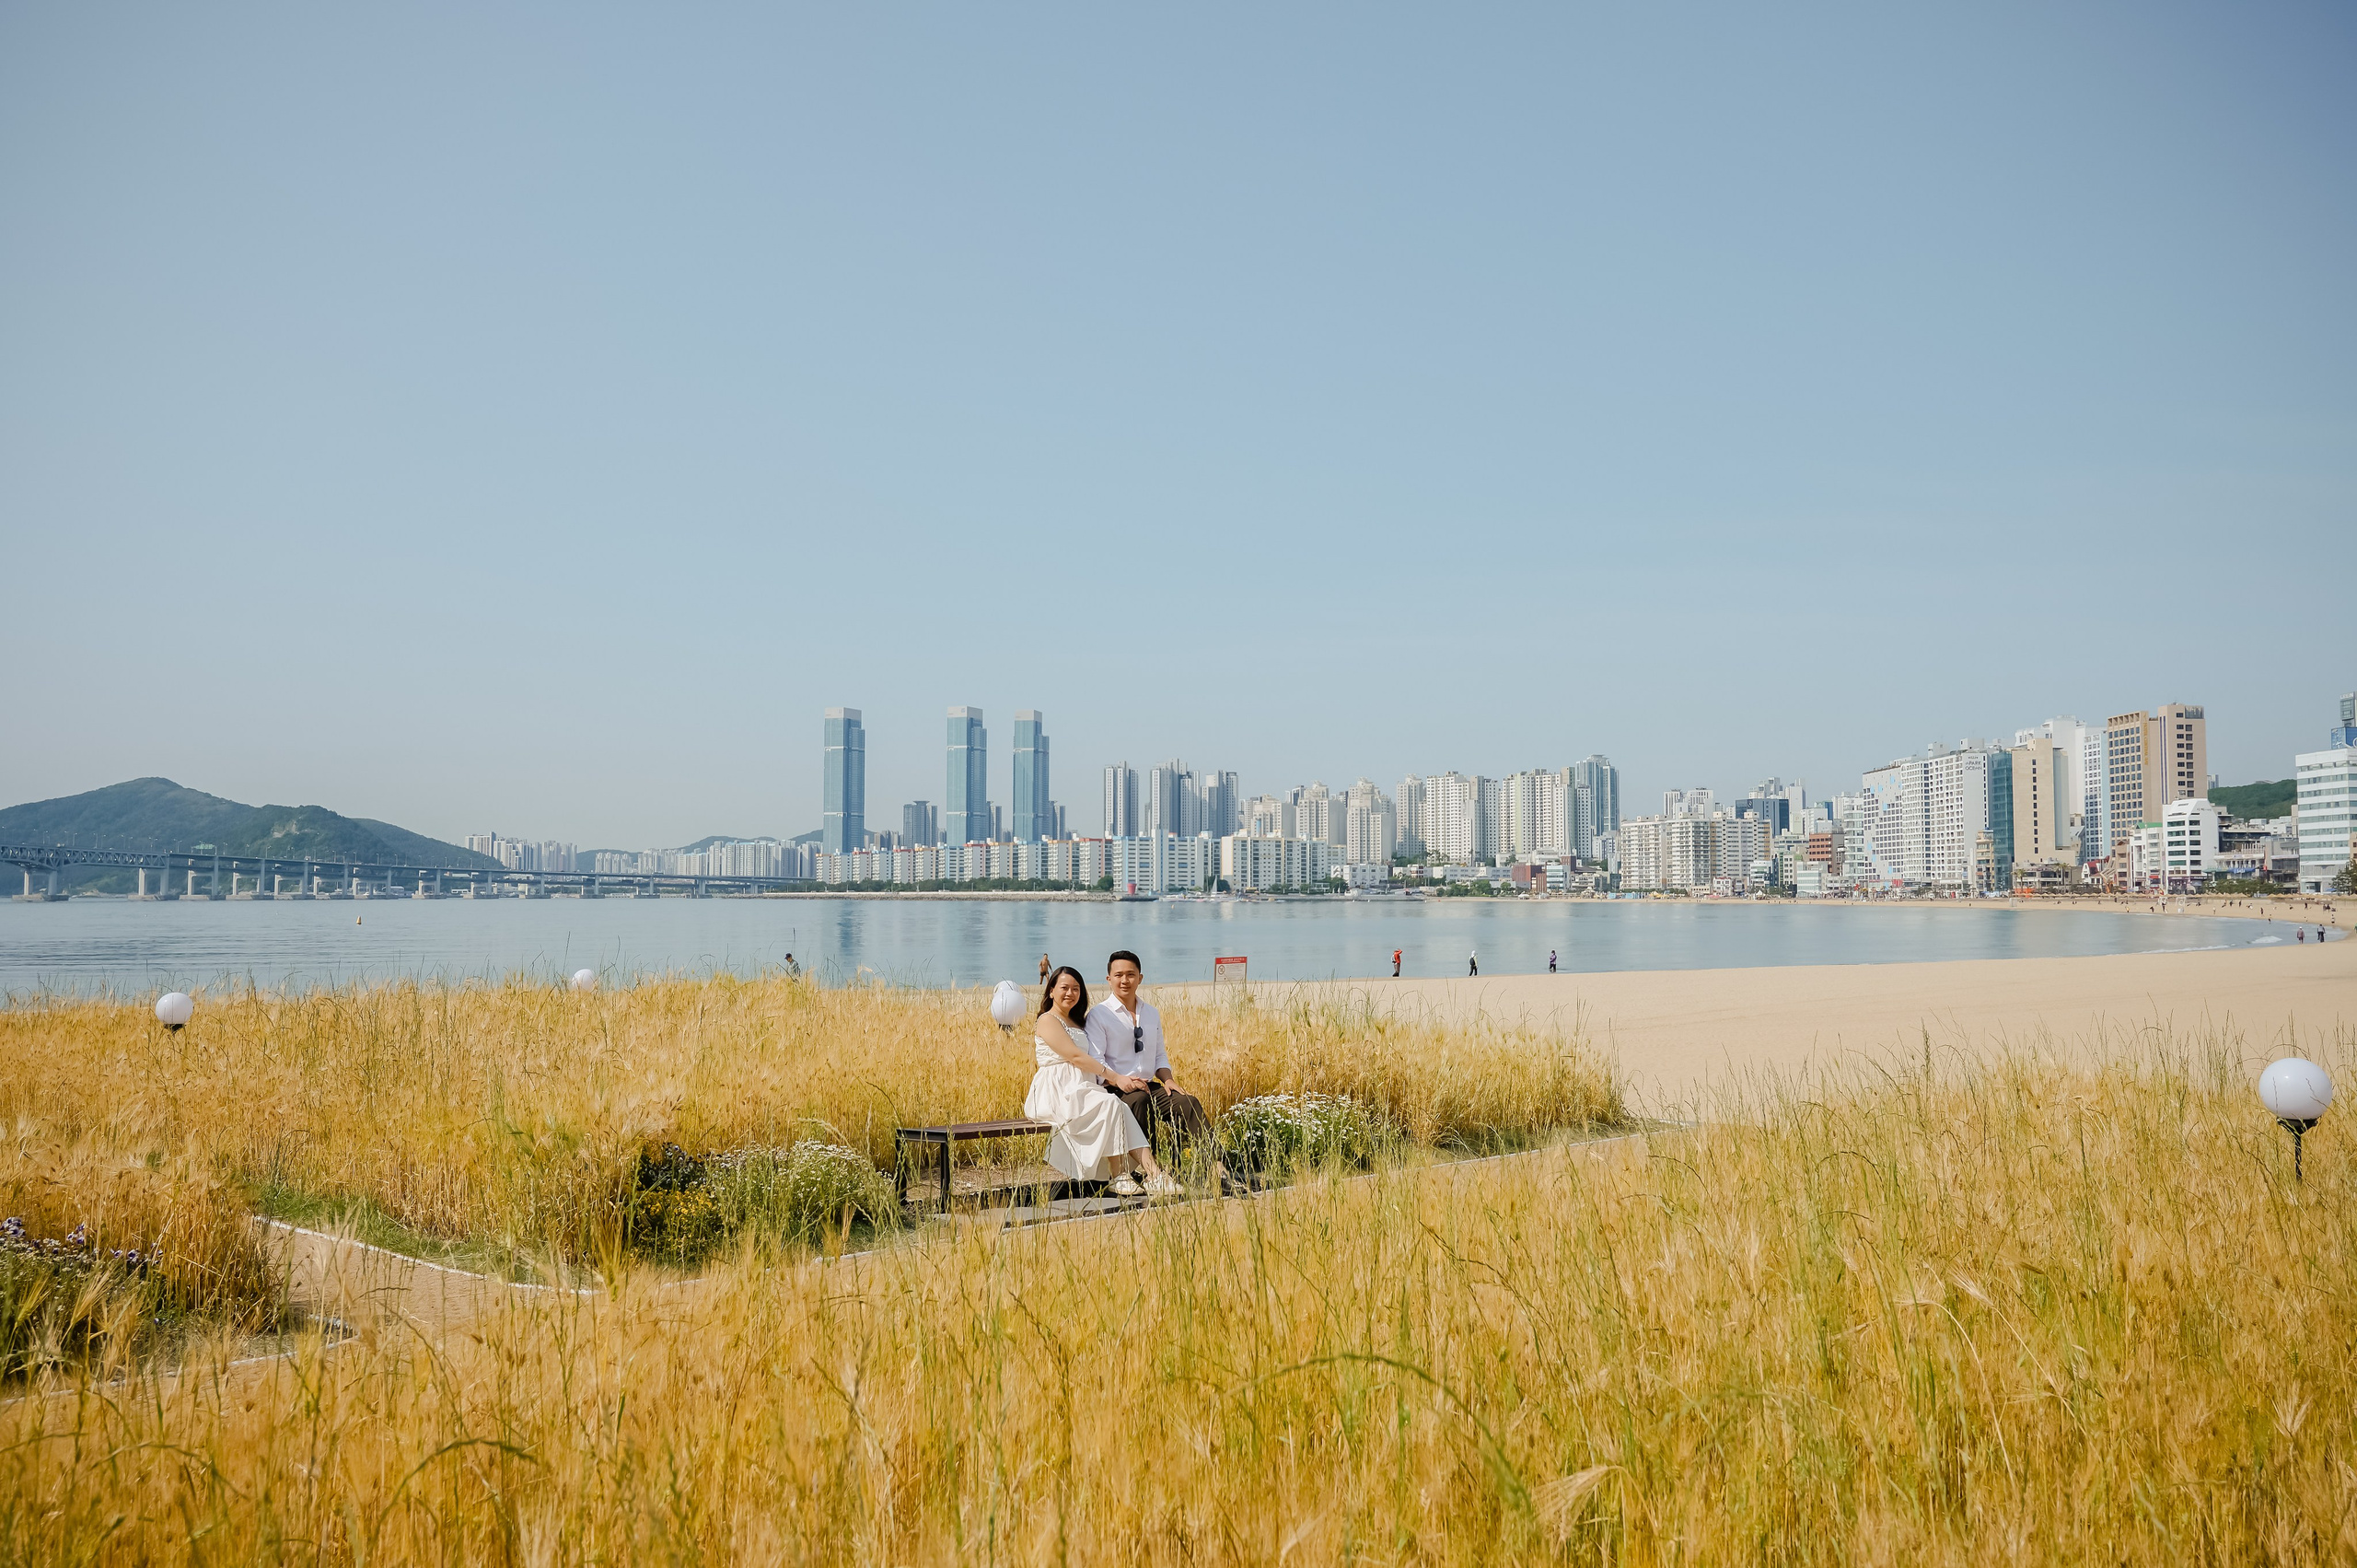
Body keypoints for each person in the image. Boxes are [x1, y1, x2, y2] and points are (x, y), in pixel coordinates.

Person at [1086, 950, 1254, 1197]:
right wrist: (1120, 1080)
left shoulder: (1151, 1012)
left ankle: (1219, 1171)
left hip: (1149, 1084)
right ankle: (1146, 1173)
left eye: (1130, 975)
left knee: (1188, 1103)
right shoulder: (1099, 1015)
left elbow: (1159, 1056)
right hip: (1116, 1087)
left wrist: (1168, 1079)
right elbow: (1096, 1060)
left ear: (1140, 978)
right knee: (1138, 1100)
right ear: (1108, 979)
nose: (1125, 980)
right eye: (1119, 975)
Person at [1025, 967, 1179, 1199]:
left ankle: (1153, 1175)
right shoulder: (1048, 1020)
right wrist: (1116, 1077)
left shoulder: (1077, 1021)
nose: (1070, 993)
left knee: (1116, 1107)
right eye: (1064, 988)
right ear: (1051, 992)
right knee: (1112, 1105)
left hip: (1082, 1086)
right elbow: (1076, 1057)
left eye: (1076, 989)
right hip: (1058, 1089)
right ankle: (1122, 1176)